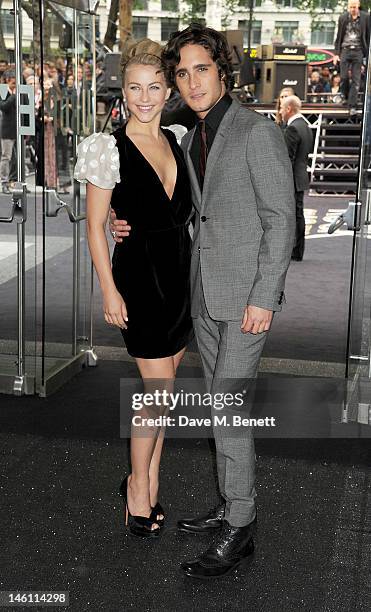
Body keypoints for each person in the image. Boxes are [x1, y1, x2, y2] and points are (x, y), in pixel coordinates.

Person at [110, 23, 296, 579]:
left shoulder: (256, 132)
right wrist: (127, 226)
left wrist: (264, 298)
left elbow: (280, 222)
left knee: (231, 411)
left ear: (223, 72)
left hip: (245, 303)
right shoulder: (189, 138)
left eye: (202, 70)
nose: (192, 82)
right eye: (183, 72)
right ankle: (229, 501)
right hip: (202, 299)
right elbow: (186, 213)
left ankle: (241, 526)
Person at [74, 40, 194, 538]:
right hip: (138, 279)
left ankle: (149, 481)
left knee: (163, 396)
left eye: (154, 87)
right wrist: (109, 290)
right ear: (122, 92)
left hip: (182, 277)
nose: (144, 98)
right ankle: (136, 489)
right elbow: (95, 225)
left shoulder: (179, 137)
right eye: (134, 88)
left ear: (168, 90)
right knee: (158, 391)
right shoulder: (107, 148)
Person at [281, 95, 313, 261]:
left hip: (292, 179)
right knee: (297, 214)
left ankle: (294, 250)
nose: (280, 112)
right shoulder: (306, 126)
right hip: (300, 177)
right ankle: (297, 250)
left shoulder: (293, 128)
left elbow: (287, 158)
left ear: (288, 109)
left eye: (281, 108)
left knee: (293, 215)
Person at [334, 0, 370, 115]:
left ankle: (352, 105)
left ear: (358, 6)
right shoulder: (343, 18)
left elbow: (368, 36)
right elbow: (339, 36)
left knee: (356, 79)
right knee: (343, 77)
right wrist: (336, 53)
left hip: (358, 50)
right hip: (345, 49)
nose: (352, 9)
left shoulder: (366, 17)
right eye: (350, 7)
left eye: (354, 7)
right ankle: (344, 95)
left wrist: (368, 54)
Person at [0, 71, 16, 194]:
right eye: (11, 79)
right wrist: (13, 96)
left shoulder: (19, 92)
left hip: (17, 129)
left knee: (15, 158)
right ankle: (4, 182)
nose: (13, 82)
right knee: (6, 157)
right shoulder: (3, 92)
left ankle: (13, 180)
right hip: (6, 129)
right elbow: (4, 107)